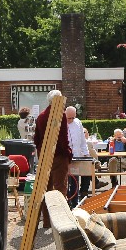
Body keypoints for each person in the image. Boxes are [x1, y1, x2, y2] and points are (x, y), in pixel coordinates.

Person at [33, 90, 71, 226]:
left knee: (45, 189)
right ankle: (61, 222)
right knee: (60, 189)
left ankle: (47, 221)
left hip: (44, 155)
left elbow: (36, 139)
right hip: (59, 156)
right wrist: (68, 154)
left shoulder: (41, 116)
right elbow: (63, 139)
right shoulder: (61, 115)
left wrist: (41, 152)